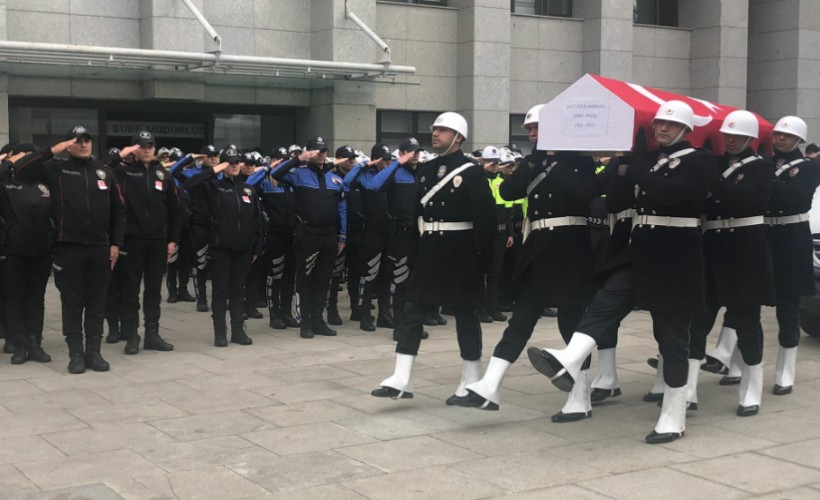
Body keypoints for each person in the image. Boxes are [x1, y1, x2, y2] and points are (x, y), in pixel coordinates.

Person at [525, 101, 717, 444]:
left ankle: (674, 414)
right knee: (605, 302)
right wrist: (622, 164)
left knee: (671, 337)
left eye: (670, 126)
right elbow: (614, 202)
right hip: (640, 248)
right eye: (658, 124)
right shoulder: (649, 161)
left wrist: (639, 164)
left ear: (686, 131)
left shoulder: (700, 161)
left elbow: (670, 195)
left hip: (678, 253)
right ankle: (569, 357)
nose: (662, 130)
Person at [462, 104, 597, 419]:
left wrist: (558, 158)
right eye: (529, 130)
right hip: (538, 247)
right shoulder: (535, 163)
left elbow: (584, 193)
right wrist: (534, 161)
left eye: (538, 128)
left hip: (570, 247)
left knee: (571, 323)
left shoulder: (580, 162)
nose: (532, 134)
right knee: (521, 318)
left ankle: (581, 397)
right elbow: (509, 192)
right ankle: (490, 386)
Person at [371, 111, 495, 402]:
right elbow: (417, 216)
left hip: (461, 251)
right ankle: (402, 378)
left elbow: (486, 221)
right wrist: (413, 254)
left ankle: (471, 379)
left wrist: (480, 261)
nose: (435, 134)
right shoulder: (426, 170)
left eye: (443, 130)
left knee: (465, 314)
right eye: (435, 129)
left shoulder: (472, 171)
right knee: (412, 312)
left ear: (458, 137)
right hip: (430, 250)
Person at [13, 126, 126, 374]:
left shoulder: (105, 173)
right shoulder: (56, 170)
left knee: (97, 303)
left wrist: (115, 244)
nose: (84, 145)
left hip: (100, 249)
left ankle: (93, 353)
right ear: (68, 144)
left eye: (87, 140)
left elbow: (118, 211)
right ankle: (75, 353)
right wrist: (54, 150)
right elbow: (20, 168)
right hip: (68, 249)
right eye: (77, 141)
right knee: (72, 303)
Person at [686, 110, 775, 416]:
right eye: (728, 136)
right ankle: (687, 389)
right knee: (697, 320)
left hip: (744, 252)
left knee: (747, 321)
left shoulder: (763, 167)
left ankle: (751, 389)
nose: (731, 141)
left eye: (737, 136)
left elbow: (745, 200)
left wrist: (712, 179)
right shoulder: (717, 164)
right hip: (713, 249)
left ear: (750, 138)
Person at [107, 131, 182, 355]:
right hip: (132, 241)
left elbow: (177, 211)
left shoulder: (163, 175)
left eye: (150, 146)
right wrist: (124, 154)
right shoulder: (123, 172)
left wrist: (173, 240)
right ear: (134, 149)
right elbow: (102, 168)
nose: (147, 149)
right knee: (130, 291)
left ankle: (152, 334)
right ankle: (131, 336)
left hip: (157, 242)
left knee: (153, 291)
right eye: (142, 146)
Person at [183, 146, 263, 346]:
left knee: (237, 290)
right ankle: (220, 332)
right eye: (231, 162)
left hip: (243, 248)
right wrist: (215, 170)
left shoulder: (247, 188)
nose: (235, 166)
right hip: (221, 247)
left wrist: (257, 248)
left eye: (238, 162)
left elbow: (257, 220)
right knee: (221, 290)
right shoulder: (213, 187)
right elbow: (189, 184)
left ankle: (238, 331)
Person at [269, 137, 347, 339]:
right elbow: (275, 174)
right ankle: (305, 322)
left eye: (324, 150)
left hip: (329, 235)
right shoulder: (299, 174)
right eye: (317, 150)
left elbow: (341, 208)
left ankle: (318, 320)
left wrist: (343, 235)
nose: (321, 154)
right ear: (309, 152)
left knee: (323, 280)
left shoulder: (335, 179)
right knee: (305, 280)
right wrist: (298, 159)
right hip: (308, 234)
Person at [764, 116, 820, 395]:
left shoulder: (810, 167)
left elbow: (792, 196)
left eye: (786, 136)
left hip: (792, 238)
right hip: (766, 236)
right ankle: (735, 362)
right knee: (745, 301)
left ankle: (785, 371)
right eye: (777, 135)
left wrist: (765, 181)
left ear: (799, 140)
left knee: (788, 308)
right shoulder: (766, 163)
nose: (780, 139)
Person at [0, 144, 54, 364]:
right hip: (13, 251)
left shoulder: (45, 184)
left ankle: (35, 343)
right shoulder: (6, 183)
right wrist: (9, 162)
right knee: (14, 299)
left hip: (41, 251)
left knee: (35, 300)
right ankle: (19, 344)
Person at [245, 148, 300, 330]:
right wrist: (268, 168)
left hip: (291, 234)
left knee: (289, 276)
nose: (285, 164)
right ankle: (274, 314)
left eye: (287, 161)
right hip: (274, 234)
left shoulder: (291, 183)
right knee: (275, 275)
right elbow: (248, 184)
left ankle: (286, 312)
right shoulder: (265, 182)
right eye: (281, 160)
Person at [479, 145, 514, 323]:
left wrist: (510, 233)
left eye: (496, 163)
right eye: (490, 163)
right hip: (484, 234)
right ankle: (481, 309)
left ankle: (493, 308)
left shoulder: (501, 182)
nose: (494, 166)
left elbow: (508, 211)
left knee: (495, 273)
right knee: (481, 273)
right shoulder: (479, 181)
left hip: (500, 234)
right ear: (484, 162)